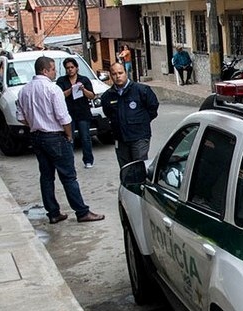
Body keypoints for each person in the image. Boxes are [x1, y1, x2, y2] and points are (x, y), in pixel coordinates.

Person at [15, 56, 104, 224]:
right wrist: (69, 135)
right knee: (68, 176)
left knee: (46, 176)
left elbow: (20, 117)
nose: (56, 72)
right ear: (45, 70)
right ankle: (81, 211)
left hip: (36, 136)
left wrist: (34, 123)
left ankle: (53, 212)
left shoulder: (24, 91)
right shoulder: (52, 89)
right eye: (53, 68)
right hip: (55, 136)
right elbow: (64, 117)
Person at [100, 62, 159, 168]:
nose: (118, 76)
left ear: (126, 73)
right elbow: (108, 113)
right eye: (114, 74)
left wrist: (141, 121)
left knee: (139, 167)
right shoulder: (107, 96)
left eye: (120, 73)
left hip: (139, 137)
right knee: (126, 169)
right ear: (110, 76)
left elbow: (153, 109)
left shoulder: (142, 90)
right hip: (121, 139)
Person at [55, 57, 96, 169]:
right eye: (67, 68)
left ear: (76, 68)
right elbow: (59, 96)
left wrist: (83, 89)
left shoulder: (84, 79)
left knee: (85, 137)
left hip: (83, 113)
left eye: (72, 67)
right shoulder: (61, 81)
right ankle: (69, 161)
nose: (70, 70)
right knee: (69, 138)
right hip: (68, 114)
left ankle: (88, 160)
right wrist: (71, 89)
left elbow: (92, 95)